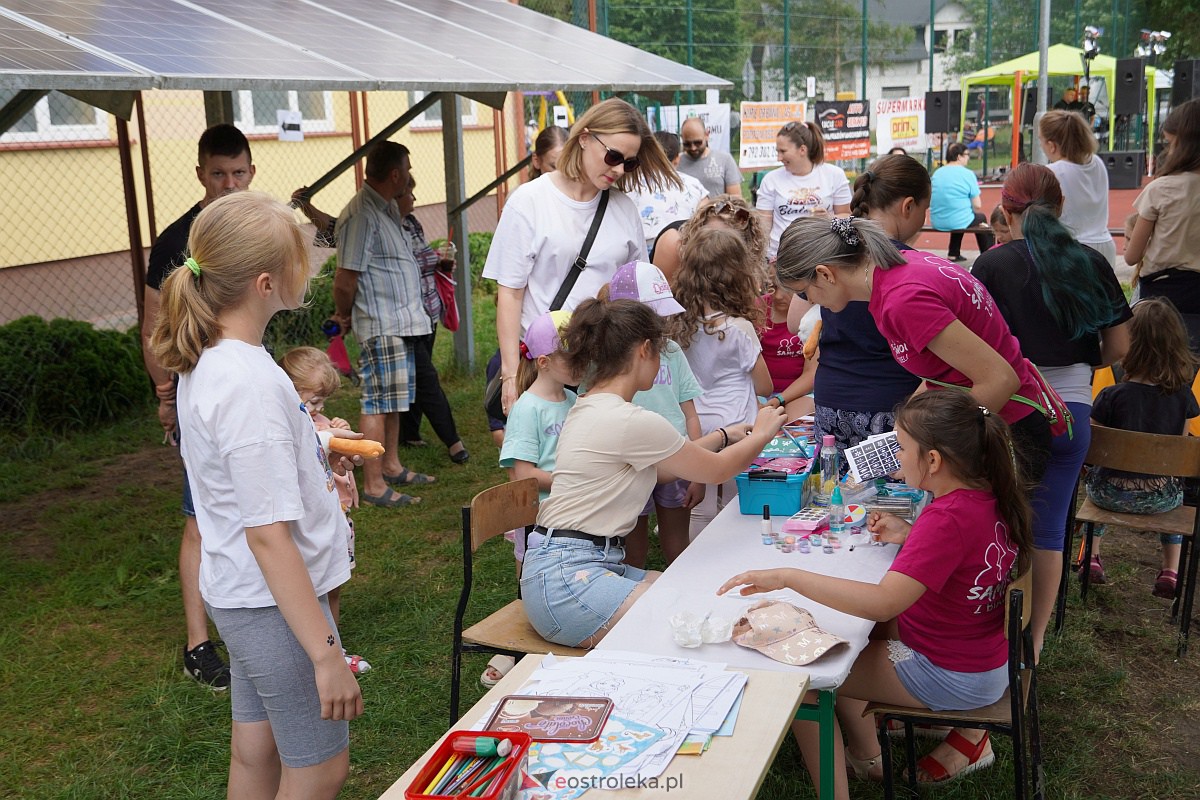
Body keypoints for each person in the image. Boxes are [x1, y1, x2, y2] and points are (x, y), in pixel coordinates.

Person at [150, 192, 363, 798]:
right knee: (321, 767)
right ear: (267, 283)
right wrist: (326, 657)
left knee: (257, 752)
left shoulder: (219, 360)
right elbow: (268, 533)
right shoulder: (246, 382)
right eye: (304, 258)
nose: (313, 268)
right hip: (273, 607)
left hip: (245, 598)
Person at [719, 390, 1031, 796]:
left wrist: (787, 576)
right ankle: (867, 751)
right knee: (852, 636)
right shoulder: (987, 497)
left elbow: (885, 600)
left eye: (901, 448)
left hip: (947, 673)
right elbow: (958, 557)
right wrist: (910, 533)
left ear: (933, 461)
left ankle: (853, 773)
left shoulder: (945, 519)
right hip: (983, 662)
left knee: (804, 675)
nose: (897, 459)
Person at [774, 215, 1060, 581]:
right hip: (997, 422)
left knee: (984, 573)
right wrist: (908, 426)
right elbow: (942, 372)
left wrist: (927, 445)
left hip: (1006, 428)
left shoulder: (901, 298)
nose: (809, 302)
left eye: (804, 291)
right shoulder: (897, 276)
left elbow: (999, 379)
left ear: (825, 273)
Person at [520, 298, 787, 648]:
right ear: (645, 350)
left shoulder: (591, 405)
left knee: (693, 594)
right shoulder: (631, 420)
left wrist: (724, 435)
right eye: (661, 353)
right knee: (689, 623)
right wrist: (764, 431)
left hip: (563, 568)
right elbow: (718, 471)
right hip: (568, 583)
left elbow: (660, 470)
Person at [972, 162, 1131, 654]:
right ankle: (1034, 644)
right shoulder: (1090, 260)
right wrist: (1081, 363)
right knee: (1047, 532)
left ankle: (984, 635)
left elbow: (974, 346)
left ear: (1007, 209)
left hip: (1012, 408)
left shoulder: (993, 265)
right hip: (1073, 412)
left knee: (995, 524)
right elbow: (1119, 346)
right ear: (1061, 208)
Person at [140, 123, 255, 690]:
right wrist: (166, 398)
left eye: (238, 173)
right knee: (202, 518)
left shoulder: (255, 230)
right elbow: (152, 328)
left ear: (252, 173)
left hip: (249, 393)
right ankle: (198, 643)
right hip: (200, 400)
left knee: (256, 510)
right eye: (218, 174)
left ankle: (261, 618)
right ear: (201, 175)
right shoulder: (177, 242)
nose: (229, 184)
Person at [484, 97, 679, 417]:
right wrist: (510, 373)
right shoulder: (529, 201)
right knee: (541, 462)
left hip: (605, 368)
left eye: (628, 163)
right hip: (546, 367)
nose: (618, 169)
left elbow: (635, 295)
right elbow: (510, 292)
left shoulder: (624, 209)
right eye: (613, 156)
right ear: (585, 138)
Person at [331, 141, 435, 508]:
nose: (409, 177)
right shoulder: (361, 214)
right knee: (377, 403)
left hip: (398, 323)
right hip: (380, 323)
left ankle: (390, 465)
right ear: (395, 174)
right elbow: (345, 279)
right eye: (406, 170)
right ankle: (374, 485)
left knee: (393, 402)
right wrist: (343, 316)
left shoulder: (386, 208)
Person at [485, 310, 578, 688]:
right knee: (531, 586)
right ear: (544, 362)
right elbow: (521, 475)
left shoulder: (574, 399)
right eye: (575, 356)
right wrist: (571, 481)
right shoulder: (526, 408)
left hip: (570, 514)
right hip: (536, 521)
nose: (585, 363)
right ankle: (515, 650)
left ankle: (555, 643)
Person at [810, 154, 922, 464]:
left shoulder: (832, 252)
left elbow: (795, 321)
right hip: (892, 403)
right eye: (925, 208)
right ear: (909, 206)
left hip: (832, 398)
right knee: (891, 505)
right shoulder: (908, 264)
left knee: (836, 503)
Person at [1085, 298, 1200, 596]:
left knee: (1098, 476)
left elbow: (1090, 447)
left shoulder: (1109, 396)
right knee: (1174, 484)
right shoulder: (1184, 399)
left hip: (1107, 495)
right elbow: (1178, 455)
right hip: (1163, 499)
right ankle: (1170, 570)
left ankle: (1091, 555)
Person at [671, 227, 772, 536]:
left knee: (700, 508)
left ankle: (696, 566)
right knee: (733, 504)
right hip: (738, 423)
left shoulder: (679, 324)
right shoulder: (739, 328)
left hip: (697, 423)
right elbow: (765, 386)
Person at [603, 261, 704, 566]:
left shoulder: (671, 351)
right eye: (654, 315)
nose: (662, 323)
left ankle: (681, 597)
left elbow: (690, 413)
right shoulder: (606, 359)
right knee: (633, 552)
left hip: (676, 457)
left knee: (677, 546)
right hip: (632, 464)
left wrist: (697, 472)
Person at [278, 347, 372, 676]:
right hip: (308, 527)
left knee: (334, 582)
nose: (319, 409)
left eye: (322, 402)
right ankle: (312, 651)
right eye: (313, 401)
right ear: (288, 389)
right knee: (310, 587)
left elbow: (337, 463)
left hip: (335, 518)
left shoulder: (318, 421)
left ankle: (335, 645)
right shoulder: (287, 428)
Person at [395, 174, 469, 464]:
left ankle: (409, 434)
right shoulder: (389, 228)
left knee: (417, 373)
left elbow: (422, 258)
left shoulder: (412, 223)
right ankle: (453, 442)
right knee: (427, 378)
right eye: (408, 192)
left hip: (428, 311)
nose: (413, 198)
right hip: (406, 316)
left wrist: (439, 260)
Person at [1125, 99, 1200, 328]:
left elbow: (1131, 256)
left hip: (1162, 292)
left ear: (1185, 145)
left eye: (1170, 143)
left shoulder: (1161, 189)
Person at [755, 120, 852, 259]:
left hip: (822, 256)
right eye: (777, 151)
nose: (779, 158)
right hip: (781, 258)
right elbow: (762, 226)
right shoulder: (771, 179)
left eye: (783, 151)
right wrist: (764, 259)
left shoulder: (834, 175)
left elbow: (848, 216)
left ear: (802, 150)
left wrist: (829, 219)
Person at [1038, 110, 1117, 268]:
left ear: (1052, 145)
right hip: (1104, 244)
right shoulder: (1096, 162)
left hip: (1072, 249)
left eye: (1041, 140)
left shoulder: (1053, 172)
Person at [652, 193, 768, 285]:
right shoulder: (675, 243)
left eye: (725, 241)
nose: (715, 243)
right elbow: (662, 302)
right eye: (710, 235)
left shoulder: (745, 257)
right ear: (699, 227)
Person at [629, 131, 707, 255]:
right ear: (677, 159)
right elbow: (705, 221)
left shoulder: (630, 185)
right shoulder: (694, 185)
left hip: (642, 252)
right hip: (683, 250)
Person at [759, 281, 816, 421]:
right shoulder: (757, 308)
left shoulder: (814, 311)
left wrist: (780, 399)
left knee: (793, 425)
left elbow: (811, 373)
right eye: (773, 287)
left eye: (787, 289)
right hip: (761, 392)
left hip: (800, 392)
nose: (778, 296)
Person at [930, 142, 993, 261]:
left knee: (961, 215)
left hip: (937, 220)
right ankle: (987, 256)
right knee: (980, 218)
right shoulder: (967, 174)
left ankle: (953, 253)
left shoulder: (937, 173)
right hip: (958, 220)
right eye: (967, 154)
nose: (968, 157)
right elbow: (977, 205)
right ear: (959, 157)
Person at [677, 116, 743, 197]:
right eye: (687, 144)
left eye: (697, 142)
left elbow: (735, 199)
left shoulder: (724, 160)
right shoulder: (676, 162)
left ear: (707, 135)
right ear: (682, 138)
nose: (693, 148)